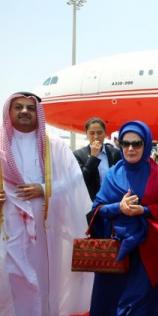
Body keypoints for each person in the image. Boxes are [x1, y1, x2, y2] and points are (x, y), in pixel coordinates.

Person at [0, 92, 93, 316]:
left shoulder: (54, 146)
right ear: (8, 112)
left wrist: (44, 188)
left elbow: (73, 179)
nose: (24, 111)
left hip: (45, 228)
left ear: (38, 114)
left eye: (30, 108)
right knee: (11, 278)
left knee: (42, 278)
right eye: (19, 107)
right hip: (7, 227)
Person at [89, 120, 158, 316]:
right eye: (125, 143)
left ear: (145, 144)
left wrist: (144, 211)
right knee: (117, 303)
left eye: (136, 143)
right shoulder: (113, 174)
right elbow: (97, 208)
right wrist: (118, 207)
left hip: (151, 250)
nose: (130, 148)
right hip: (119, 251)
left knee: (143, 305)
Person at [74, 117, 121, 201]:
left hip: (112, 200)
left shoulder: (115, 153)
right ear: (87, 134)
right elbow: (82, 180)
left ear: (105, 134)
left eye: (99, 133)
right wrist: (93, 157)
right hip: (90, 202)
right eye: (92, 133)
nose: (96, 137)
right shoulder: (78, 154)